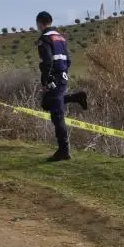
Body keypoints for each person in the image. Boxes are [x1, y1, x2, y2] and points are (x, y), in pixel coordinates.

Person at [35, 11, 88, 161]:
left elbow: (47, 62)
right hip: (62, 76)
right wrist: (62, 73)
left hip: (54, 78)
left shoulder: (44, 39)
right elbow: (68, 60)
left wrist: (47, 81)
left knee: (57, 114)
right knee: (46, 103)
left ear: (40, 23)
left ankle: (64, 150)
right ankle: (76, 97)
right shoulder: (60, 38)